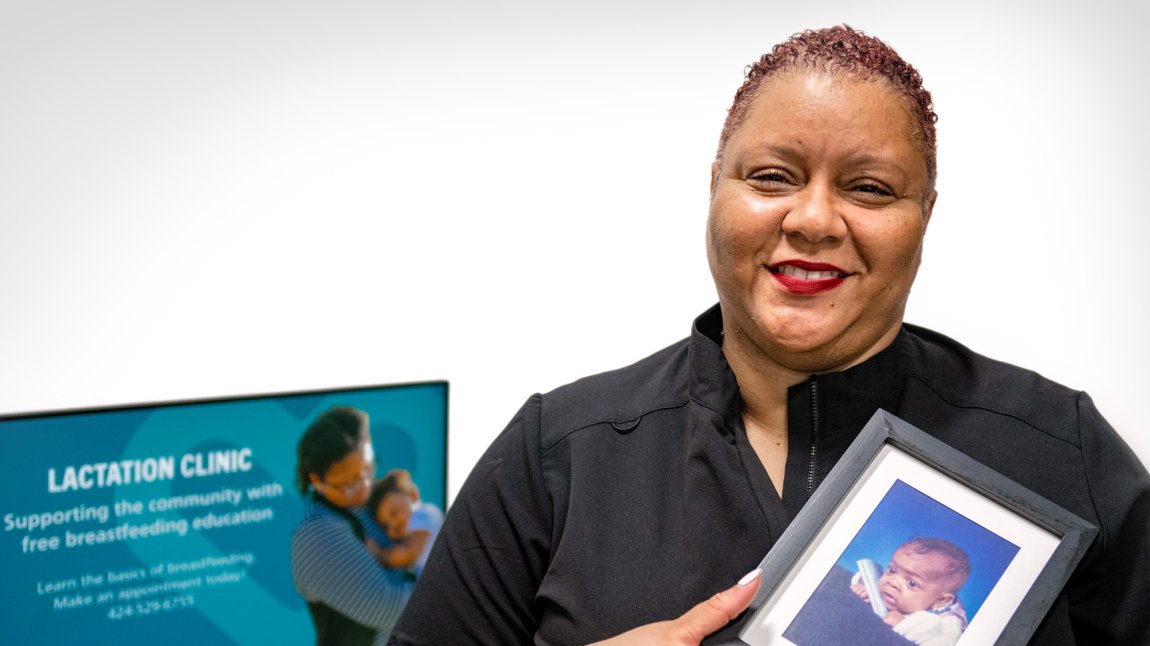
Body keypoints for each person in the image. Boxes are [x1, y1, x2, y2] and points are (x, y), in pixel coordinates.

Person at [388, 25, 1150, 646]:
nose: (813, 220)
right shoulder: (559, 456)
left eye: (870, 187)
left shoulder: (1060, 450)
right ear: (716, 186)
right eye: (773, 177)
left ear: (926, 214)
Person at [291, 406, 413, 646]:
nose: (365, 488)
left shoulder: (371, 501)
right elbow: (385, 609)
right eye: (349, 484)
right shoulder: (317, 533)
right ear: (317, 481)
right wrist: (444, 580)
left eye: (368, 470)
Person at [851, 538, 969, 646]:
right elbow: (871, 575)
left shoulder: (947, 623)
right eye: (892, 570)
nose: (893, 582)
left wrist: (903, 624)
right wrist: (867, 589)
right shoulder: (898, 592)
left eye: (912, 583)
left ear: (941, 600)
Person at [365, 468, 445, 577]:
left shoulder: (426, 514)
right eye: (386, 526)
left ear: (413, 495)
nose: (393, 524)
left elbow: (407, 553)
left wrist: (378, 553)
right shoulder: (411, 528)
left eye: (395, 512)